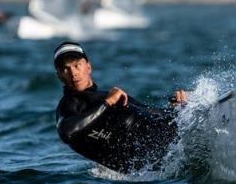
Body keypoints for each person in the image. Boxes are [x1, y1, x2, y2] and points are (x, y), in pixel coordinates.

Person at [53, 41, 188, 174]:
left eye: (77, 65)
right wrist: (107, 102)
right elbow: (67, 131)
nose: (73, 73)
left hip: (173, 141)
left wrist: (176, 107)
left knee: (198, 100)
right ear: (59, 75)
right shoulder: (70, 103)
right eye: (65, 69)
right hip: (162, 153)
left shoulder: (106, 95)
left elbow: (149, 111)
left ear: (88, 67)